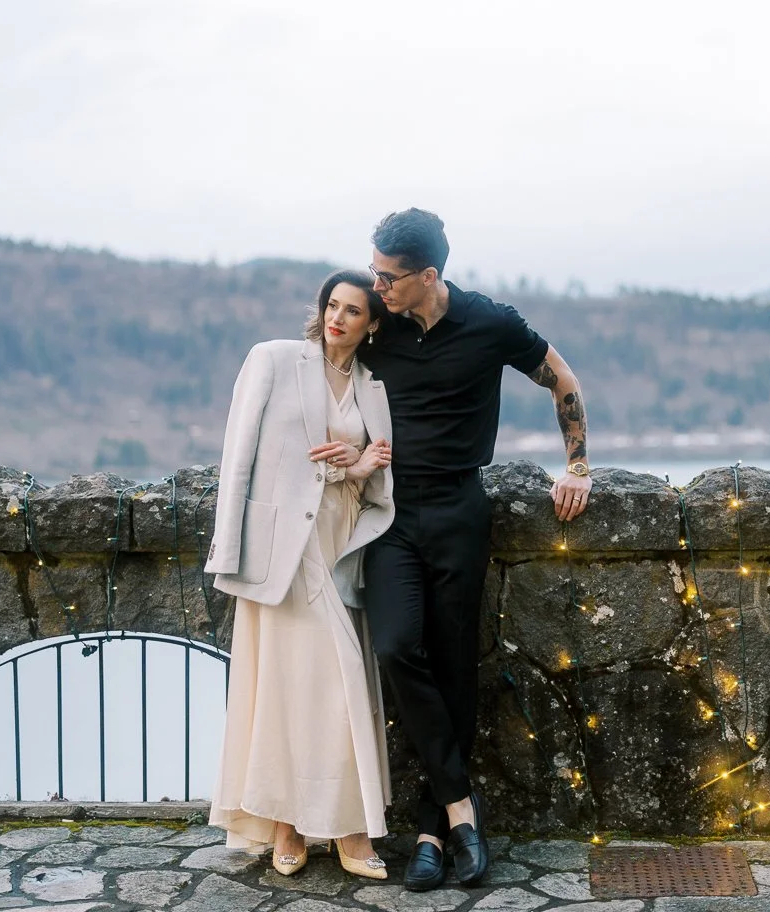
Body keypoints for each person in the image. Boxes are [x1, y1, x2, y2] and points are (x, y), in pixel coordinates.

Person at [362, 208, 592, 891]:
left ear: (428, 276)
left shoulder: (491, 323)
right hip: (391, 512)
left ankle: (435, 828)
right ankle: (464, 803)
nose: (378, 287)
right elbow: (323, 368)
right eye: (373, 273)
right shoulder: (379, 324)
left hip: (460, 508)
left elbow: (564, 381)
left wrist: (577, 466)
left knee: (456, 660)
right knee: (398, 646)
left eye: (388, 277)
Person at [205, 270, 395, 880]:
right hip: (281, 550)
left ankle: (337, 826)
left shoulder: (373, 389)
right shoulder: (274, 359)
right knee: (291, 687)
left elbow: (376, 483)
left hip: (340, 548)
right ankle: (302, 825)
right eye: (332, 306)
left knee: (335, 683)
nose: (338, 318)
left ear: (372, 324)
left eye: (354, 311)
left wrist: (361, 465)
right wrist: (228, 551)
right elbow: (238, 458)